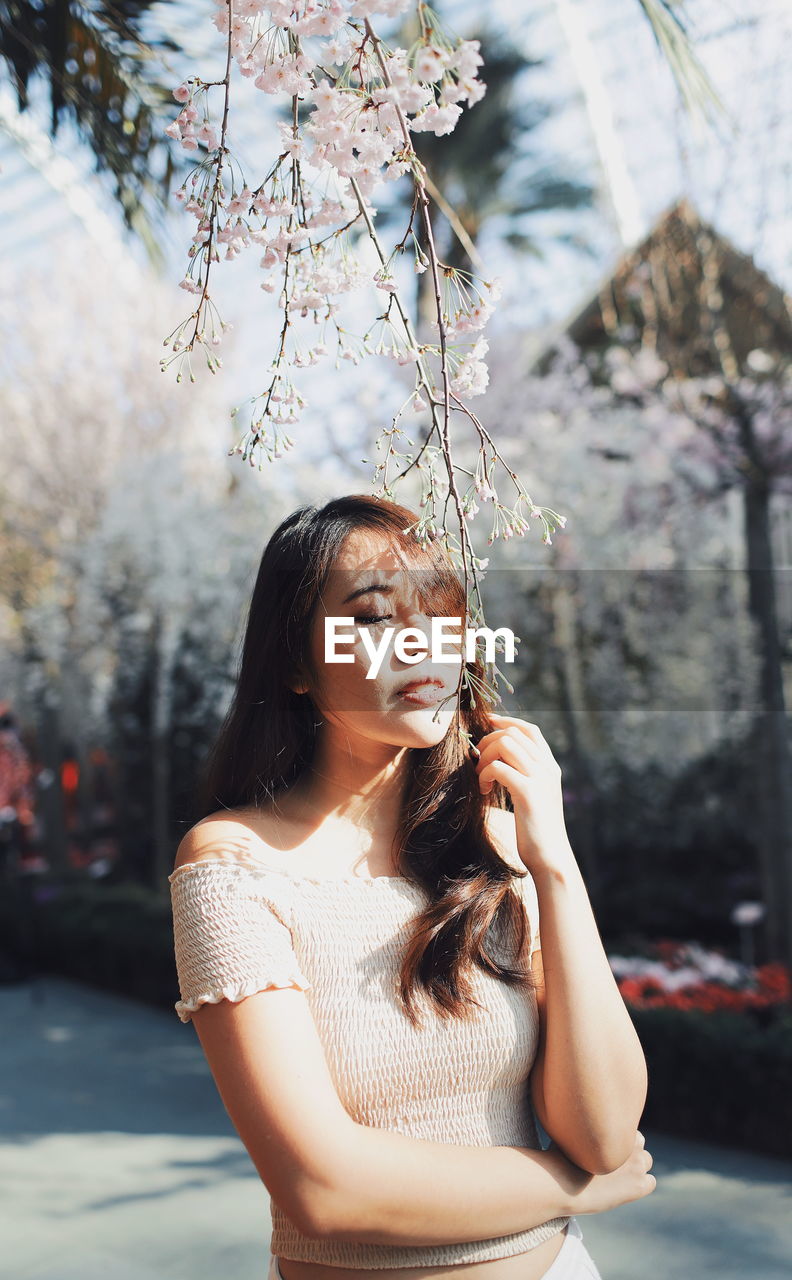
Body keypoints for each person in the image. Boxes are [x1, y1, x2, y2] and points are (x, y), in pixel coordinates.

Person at [168, 494, 655, 1280]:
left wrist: (554, 864)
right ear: (295, 662)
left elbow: (604, 1133)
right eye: (371, 618)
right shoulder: (233, 866)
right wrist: (570, 1187)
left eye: (441, 612)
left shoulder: (498, 848)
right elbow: (322, 1189)